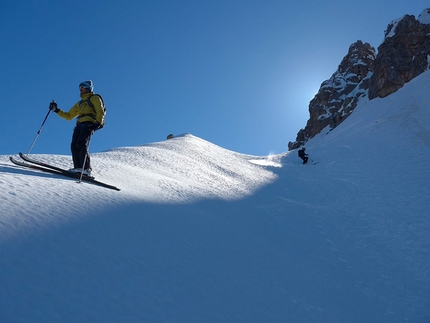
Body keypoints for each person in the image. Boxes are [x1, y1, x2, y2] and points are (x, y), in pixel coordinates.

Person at [49, 80, 104, 177]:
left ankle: (86, 169)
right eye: (80, 88)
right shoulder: (80, 103)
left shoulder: (94, 98)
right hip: (79, 125)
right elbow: (69, 116)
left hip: (89, 123)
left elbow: (100, 110)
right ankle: (78, 168)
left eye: (83, 87)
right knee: (74, 145)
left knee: (82, 143)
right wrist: (56, 110)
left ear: (88, 88)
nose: (81, 89)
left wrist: (98, 123)